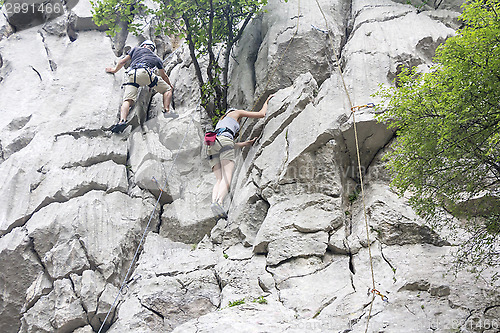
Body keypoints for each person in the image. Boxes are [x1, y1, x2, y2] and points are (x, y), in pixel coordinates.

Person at [209, 94, 275, 219]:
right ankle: (219, 202)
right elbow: (261, 114)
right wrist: (266, 101)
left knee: (219, 179)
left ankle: (214, 203)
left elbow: (226, 143)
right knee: (227, 177)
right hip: (224, 142)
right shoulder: (236, 113)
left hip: (212, 145)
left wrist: (245, 144)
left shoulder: (220, 122)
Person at [105, 40, 176, 133]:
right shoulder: (156, 57)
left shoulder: (136, 49)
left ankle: (122, 120)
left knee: (127, 101)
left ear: (144, 45)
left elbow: (122, 62)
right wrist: (170, 85)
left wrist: (114, 70)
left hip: (131, 75)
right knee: (167, 90)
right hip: (145, 73)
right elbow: (164, 76)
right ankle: (167, 111)